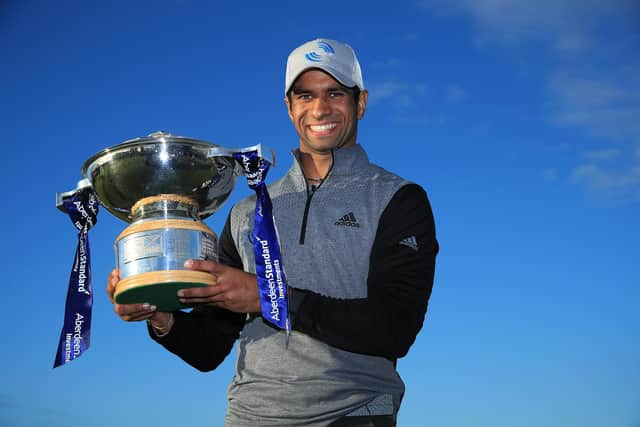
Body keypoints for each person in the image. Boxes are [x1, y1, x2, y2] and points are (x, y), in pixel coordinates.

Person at [107, 38, 438, 426]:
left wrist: (268, 297)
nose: (319, 108)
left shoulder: (398, 199)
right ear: (289, 106)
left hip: (352, 414)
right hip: (249, 417)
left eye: (334, 93)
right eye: (305, 96)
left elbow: (394, 328)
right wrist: (161, 317)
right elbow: (209, 349)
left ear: (360, 102)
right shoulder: (246, 213)